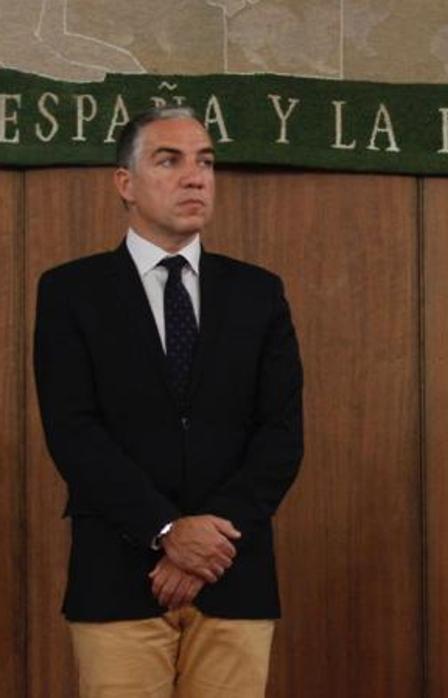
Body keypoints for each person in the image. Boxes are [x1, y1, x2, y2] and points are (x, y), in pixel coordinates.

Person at [33, 106, 303, 697]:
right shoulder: (71, 292)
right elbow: (73, 432)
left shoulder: (258, 293)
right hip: (118, 578)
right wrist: (165, 531)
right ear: (125, 183)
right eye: (169, 160)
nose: (195, 177)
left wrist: (206, 545)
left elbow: (281, 435)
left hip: (233, 575)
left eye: (205, 162)